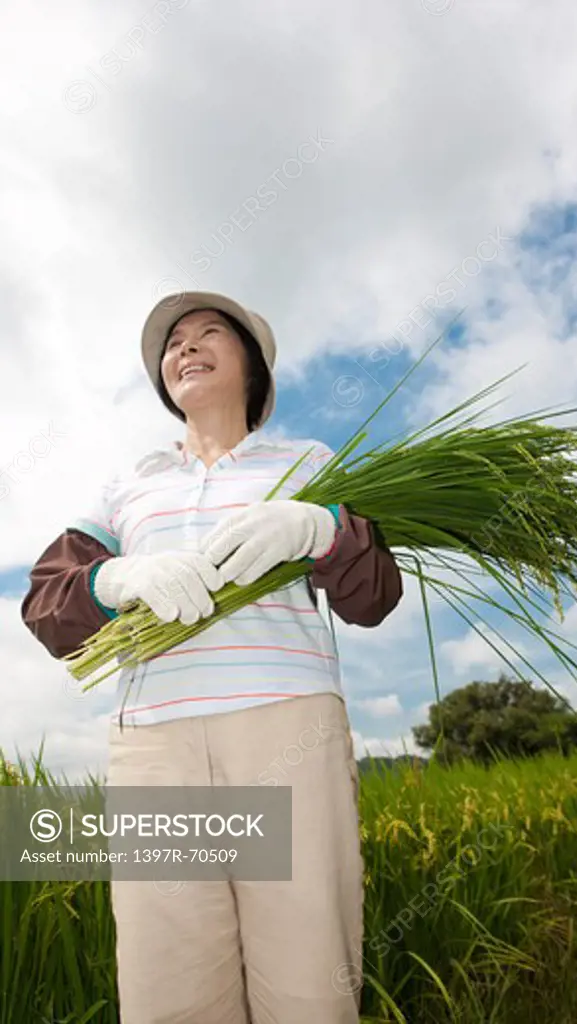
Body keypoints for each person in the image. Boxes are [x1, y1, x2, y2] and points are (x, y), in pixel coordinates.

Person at [21, 290, 403, 1024]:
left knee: (307, 978)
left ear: (253, 367)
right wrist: (114, 577)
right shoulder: (127, 484)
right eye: (173, 344)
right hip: (155, 748)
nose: (185, 347)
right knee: (171, 985)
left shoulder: (308, 463)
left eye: (208, 334)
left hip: (285, 729)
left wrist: (319, 530)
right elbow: (46, 602)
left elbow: (373, 597)